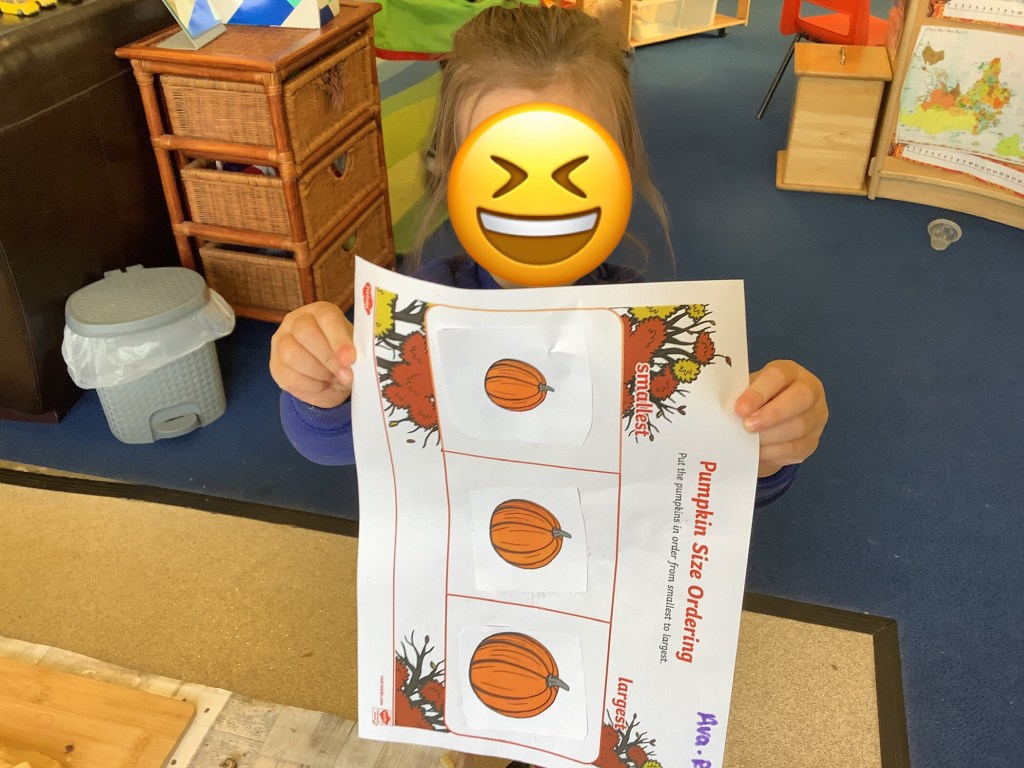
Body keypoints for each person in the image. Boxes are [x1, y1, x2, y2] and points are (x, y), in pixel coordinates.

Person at [269, 3, 828, 508]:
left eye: (574, 169)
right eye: (500, 169)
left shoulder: (649, 331)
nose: (538, 200)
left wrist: (764, 444)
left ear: (620, 173)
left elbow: (710, 484)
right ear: (449, 172)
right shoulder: (421, 314)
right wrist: (321, 390)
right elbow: (335, 444)